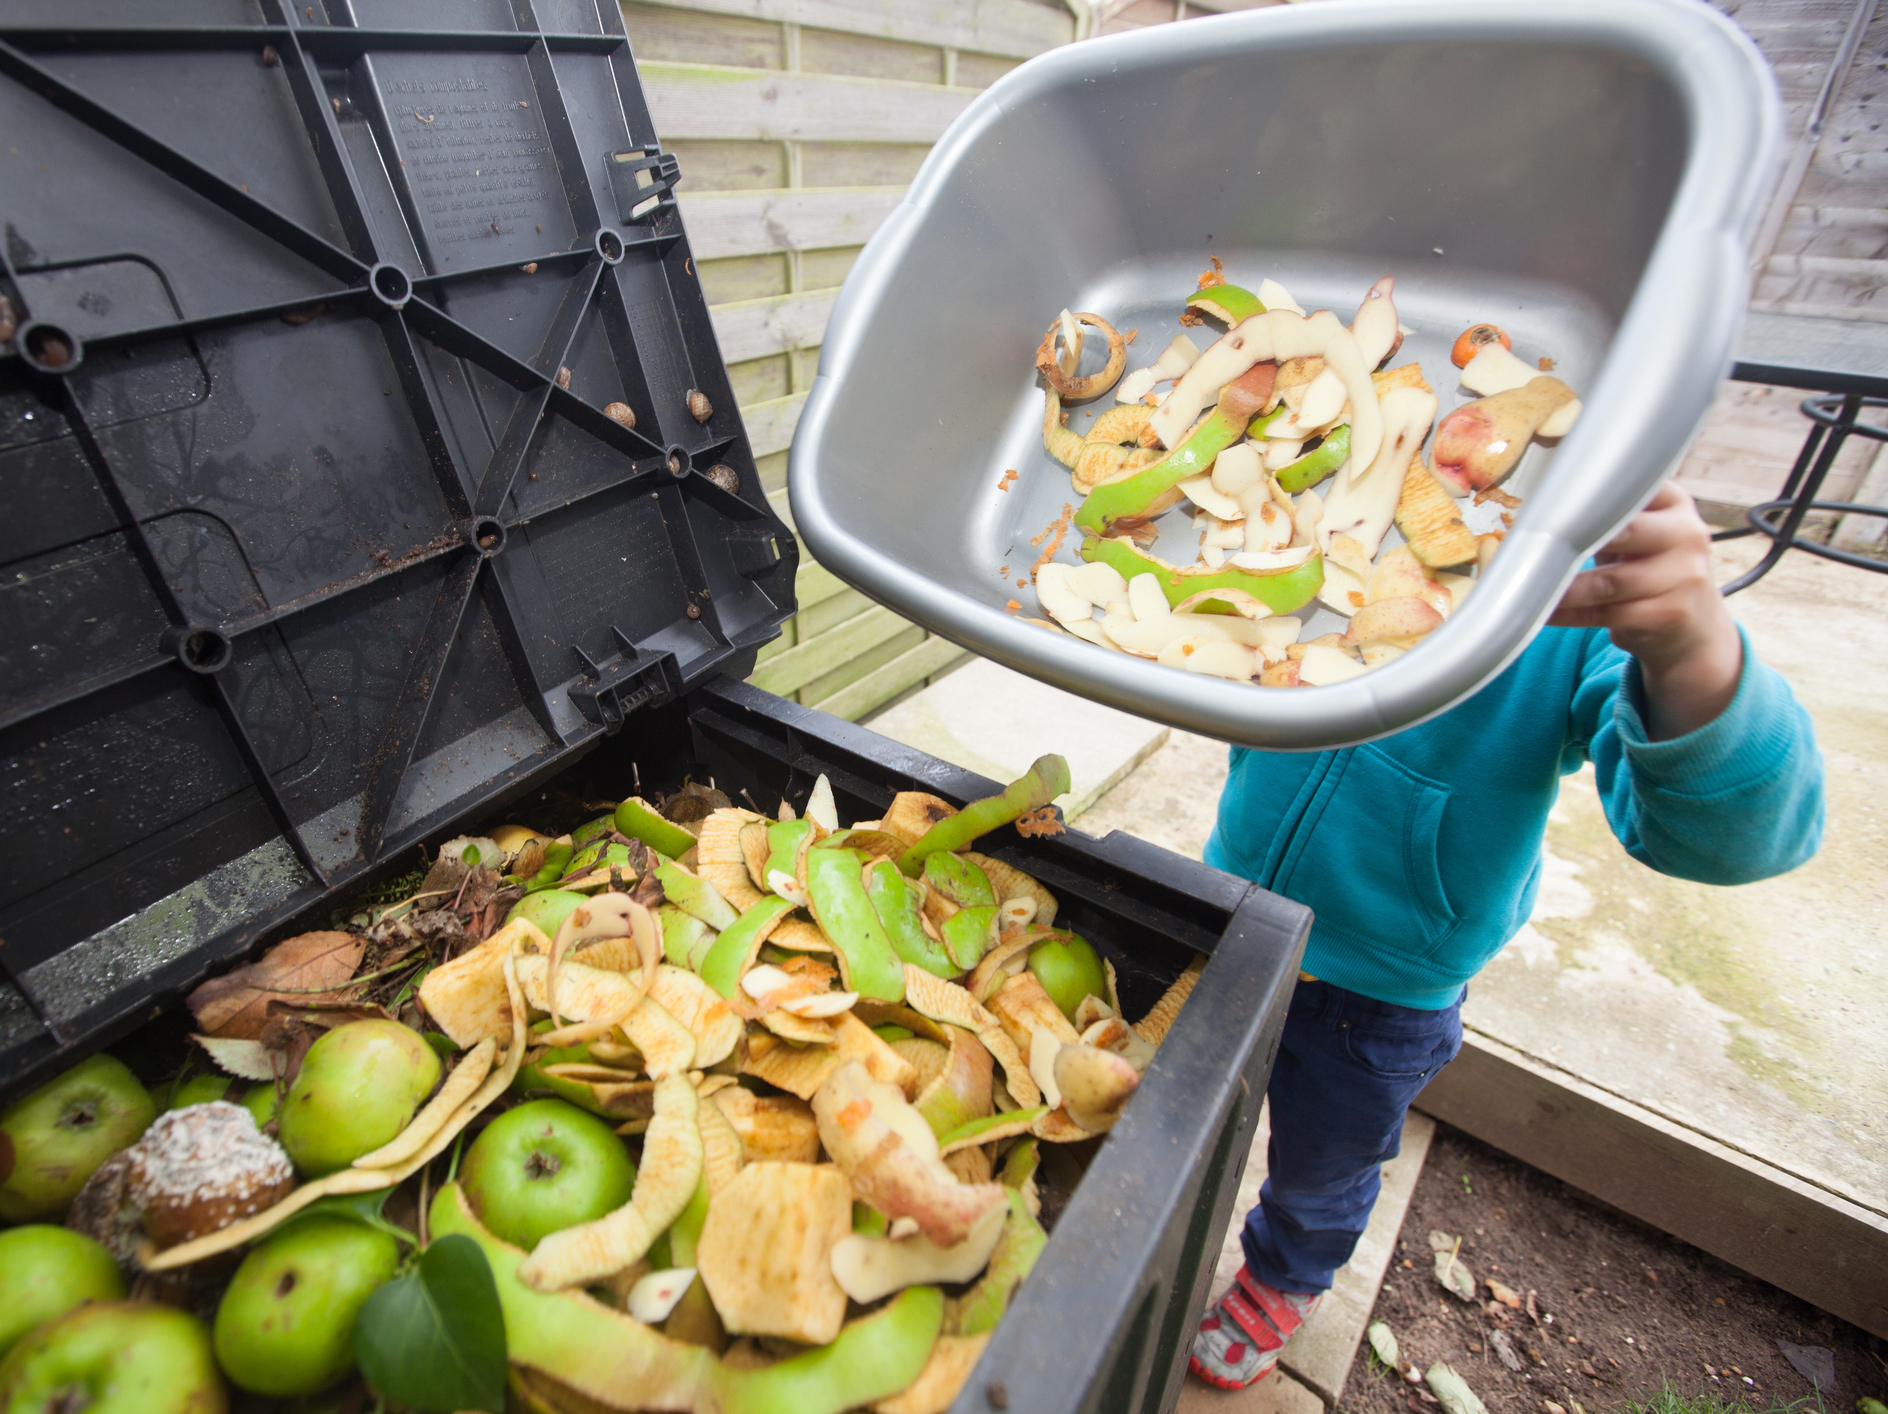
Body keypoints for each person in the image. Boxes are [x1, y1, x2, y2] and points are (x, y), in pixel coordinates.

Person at [1188, 481, 1825, 1390]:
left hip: (1381, 995)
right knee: (1195, 1102)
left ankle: (1287, 1271)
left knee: (1322, 1167)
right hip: (1235, 904)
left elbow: (1737, 834)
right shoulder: (1329, 487)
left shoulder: (1568, 574)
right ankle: (1176, 1219)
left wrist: (1690, 646)